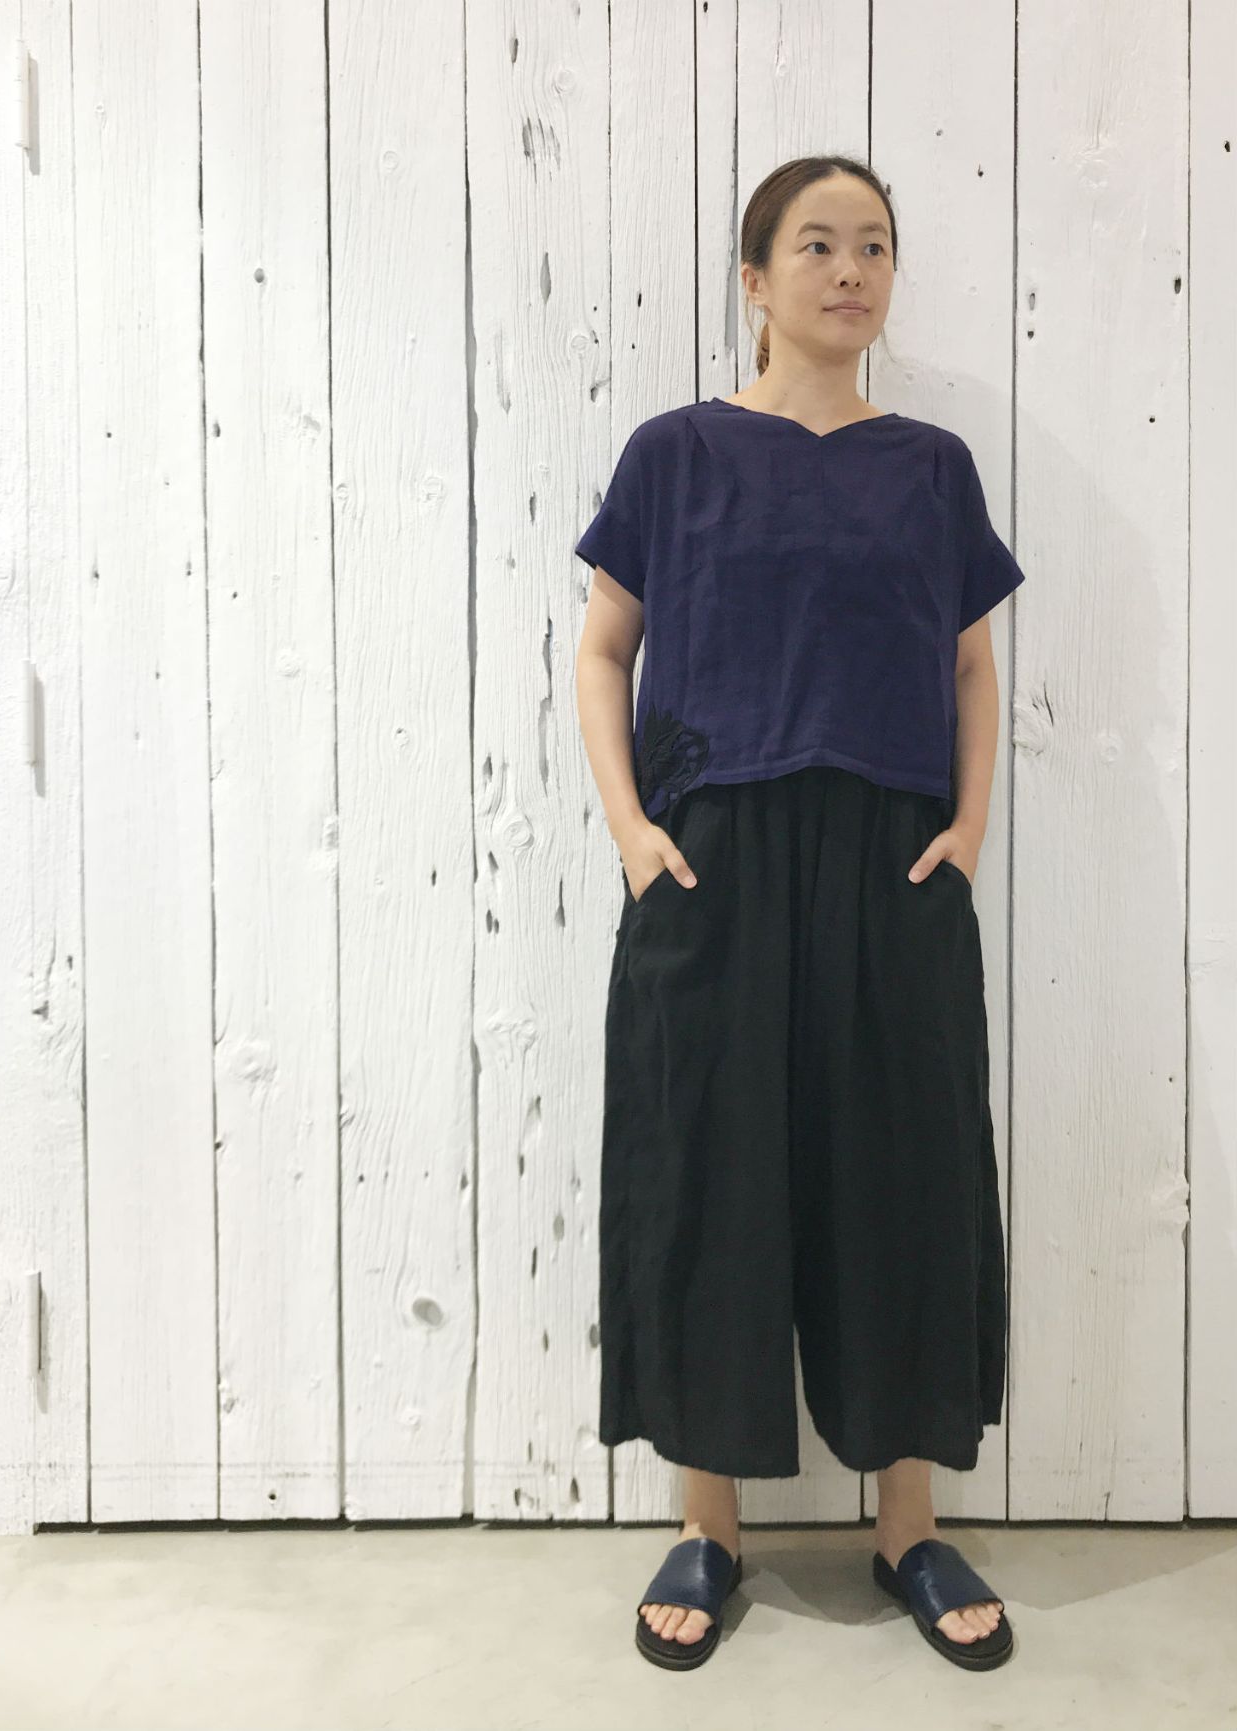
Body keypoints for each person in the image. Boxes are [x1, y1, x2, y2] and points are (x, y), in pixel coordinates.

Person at [573, 155, 1023, 1673]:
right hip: (714, 858)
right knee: (712, 1173)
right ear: (756, 281)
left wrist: (967, 827)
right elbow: (605, 649)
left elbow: (969, 665)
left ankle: (910, 1526)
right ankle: (709, 1528)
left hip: (895, 863)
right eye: (817, 245)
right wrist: (634, 832)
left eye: (874, 245)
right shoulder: (677, 455)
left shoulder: (932, 469)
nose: (851, 269)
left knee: (908, 1173)